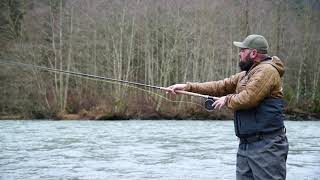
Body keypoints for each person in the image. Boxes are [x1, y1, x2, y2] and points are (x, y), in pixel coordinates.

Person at [166, 34, 289, 180]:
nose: (239, 53)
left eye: (243, 50)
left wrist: (227, 99)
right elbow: (220, 86)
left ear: (253, 53)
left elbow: (249, 98)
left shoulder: (267, 71)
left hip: (267, 146)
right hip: (246, 145)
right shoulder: (246, 74)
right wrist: (188, 86)